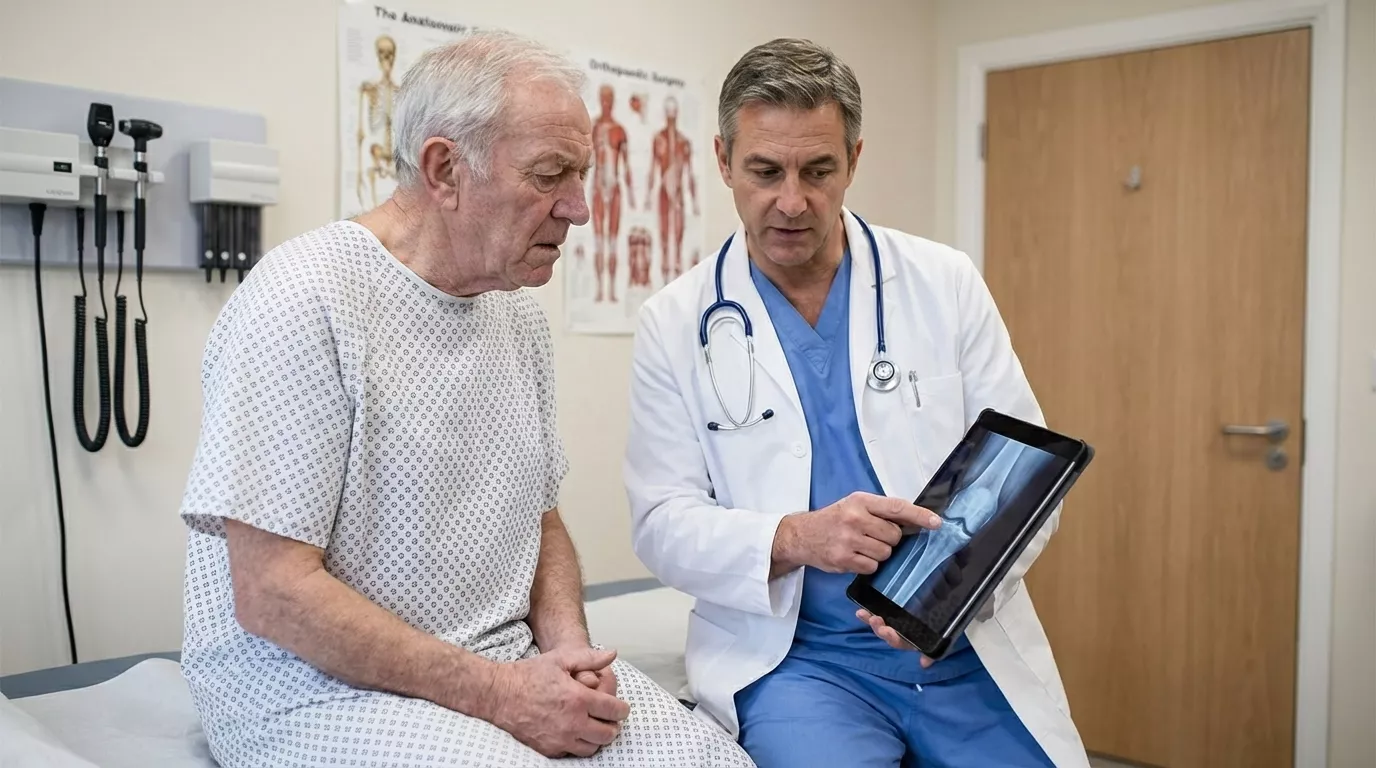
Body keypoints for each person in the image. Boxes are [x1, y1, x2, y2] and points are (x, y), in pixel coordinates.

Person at [178, 31, 754, 768]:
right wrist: (502, 695)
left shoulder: (515, 313)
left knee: (713, 761)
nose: (579, 209)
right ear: (445, 169)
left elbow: (541, 521)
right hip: (310, 686)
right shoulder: (304, 300)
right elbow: (273, 592)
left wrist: (569, 656)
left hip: (498, 658)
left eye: (581, 174)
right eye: (550, 175)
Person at [623, 38, 1091, 767]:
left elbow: (1027, 476)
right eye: (765, 171)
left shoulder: (942, 282)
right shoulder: (674, 323)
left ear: (854, 160)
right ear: (722, 161)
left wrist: (952, 596)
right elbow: (661, 525)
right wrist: (794, 538)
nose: (792, 201)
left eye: (818, 170)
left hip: (956, 646)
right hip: (798, 665)